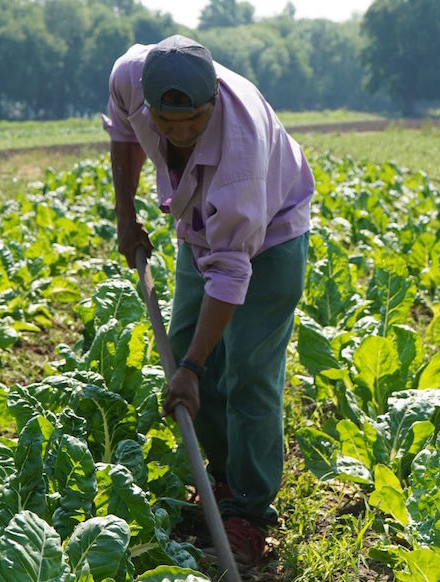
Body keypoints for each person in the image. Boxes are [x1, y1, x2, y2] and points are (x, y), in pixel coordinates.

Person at [102, 34, 314, 567]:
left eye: (192, 122)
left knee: (245, 371)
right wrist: (126, 215)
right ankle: (221, 481)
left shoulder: (240, 161)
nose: (179, 135)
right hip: (197, 223)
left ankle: (251, 511)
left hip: (269, 241)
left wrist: (193, 369)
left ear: (213, 101)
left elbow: (230, 272)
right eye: (167, 124)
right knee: (184, 346)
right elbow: (125, 131)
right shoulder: (131, 75)